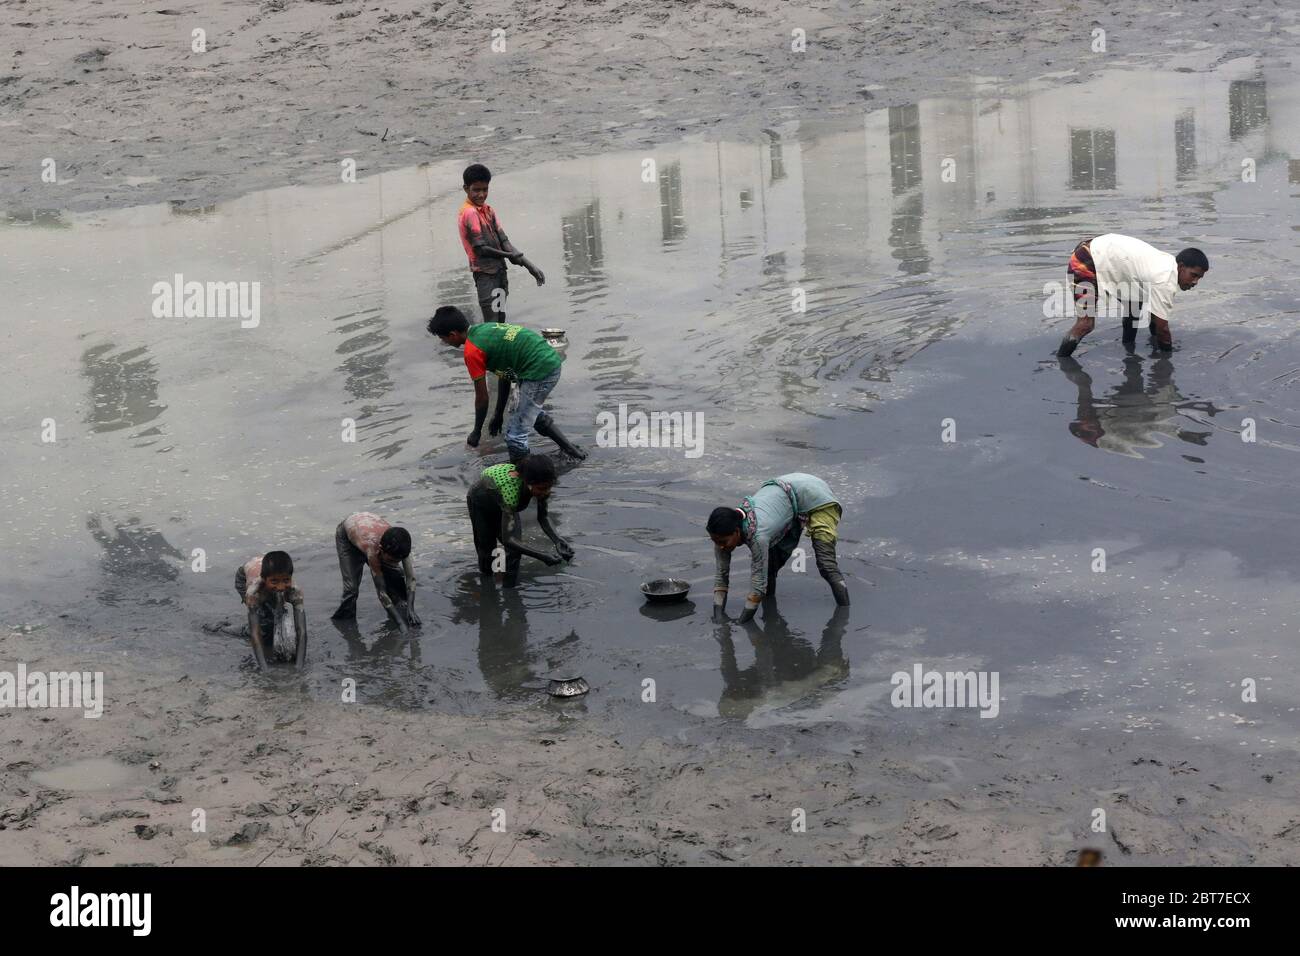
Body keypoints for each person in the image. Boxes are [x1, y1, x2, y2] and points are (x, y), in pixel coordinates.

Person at [428, 306, 587, 463]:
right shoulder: (485, 329)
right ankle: (571, 450)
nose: (444, 342)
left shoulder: (472, 351)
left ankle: (524, 481)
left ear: (452, 335)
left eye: (443, 339)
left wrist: (476, 432)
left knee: (515, 436)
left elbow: (482, 398)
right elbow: (504, 374)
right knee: (528, 413)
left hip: (539, 371)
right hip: (545, 360)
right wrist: (498, 414)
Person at [707, 473, 850, 623]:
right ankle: (770, 614)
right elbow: (721, 575)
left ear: (736, 532)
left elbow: (758, 585)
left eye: (723, 541)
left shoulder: (758, 536)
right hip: (788, 494)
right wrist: (718, 616)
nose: (720, 546)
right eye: (715, 541)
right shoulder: (722, 534)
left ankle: (845, 615)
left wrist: (742, 621)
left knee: (826, 565)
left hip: (815, 495)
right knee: (769, 568)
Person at [1055, 234, 1208, 357]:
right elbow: (1162, 329)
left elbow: (1156, 319)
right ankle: (1061, 361)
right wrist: (1168, 358)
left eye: (1199, 278)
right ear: (1181, 267)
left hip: (1104, 254)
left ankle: (1128, 350)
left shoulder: (1168, 266)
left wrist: (1157, 341)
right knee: (1085, 325)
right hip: (1086, 260)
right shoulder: (1165, 279)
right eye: (1193, 275)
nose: (1195, 282)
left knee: (1135, 306)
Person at [466, 454, 574, 587]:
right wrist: (542, 555)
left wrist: (558, 540)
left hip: (505, 506)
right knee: (487, 550)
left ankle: (509, 591)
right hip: (481, 503)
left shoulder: (541, 486)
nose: (546, 492)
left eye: (549, 487)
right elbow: (509, 540)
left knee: (515, 552)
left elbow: (543, 517)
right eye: (541, 489)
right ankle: (487, 587)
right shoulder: (510, 492)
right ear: (527, 483)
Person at [458, 163, 544, 325]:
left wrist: (529, 266)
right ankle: (491, 350)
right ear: (466, 188)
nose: (481, 194)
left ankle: (501, 350)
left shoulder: (488, 210)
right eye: (476, 190)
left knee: (500, 320)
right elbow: (481, 249)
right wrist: (509, 256)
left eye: (485, 189)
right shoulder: (469, 213)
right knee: (492, 323)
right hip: (485, 274)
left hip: (499, 271)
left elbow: (504, 241)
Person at [329, 512, 420, 632]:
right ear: (381, 550)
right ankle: (345, 625)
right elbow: (381, 592)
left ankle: (403, 611)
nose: (394, 563)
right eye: (392, 560)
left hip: (368, 527)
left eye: (398, 560)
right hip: (348, 535)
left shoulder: (401, 546)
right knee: (351, 589)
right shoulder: (372, 549)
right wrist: (400, 625)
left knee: (396, 576)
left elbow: (411, 578)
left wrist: (411, 608)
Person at [235, 550, 306, 669]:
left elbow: (302, 631)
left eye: (286, 581)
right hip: (244, 575)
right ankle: (225, 628)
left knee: (275, 613)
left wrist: (299, 666)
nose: (281, 587)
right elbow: (255, 633)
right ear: (264, 579)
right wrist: (265, 669)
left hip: (268, 568)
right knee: (264, 626)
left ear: (290, 578)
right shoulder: (254, 593)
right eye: (274, 582)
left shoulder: (295, 592)